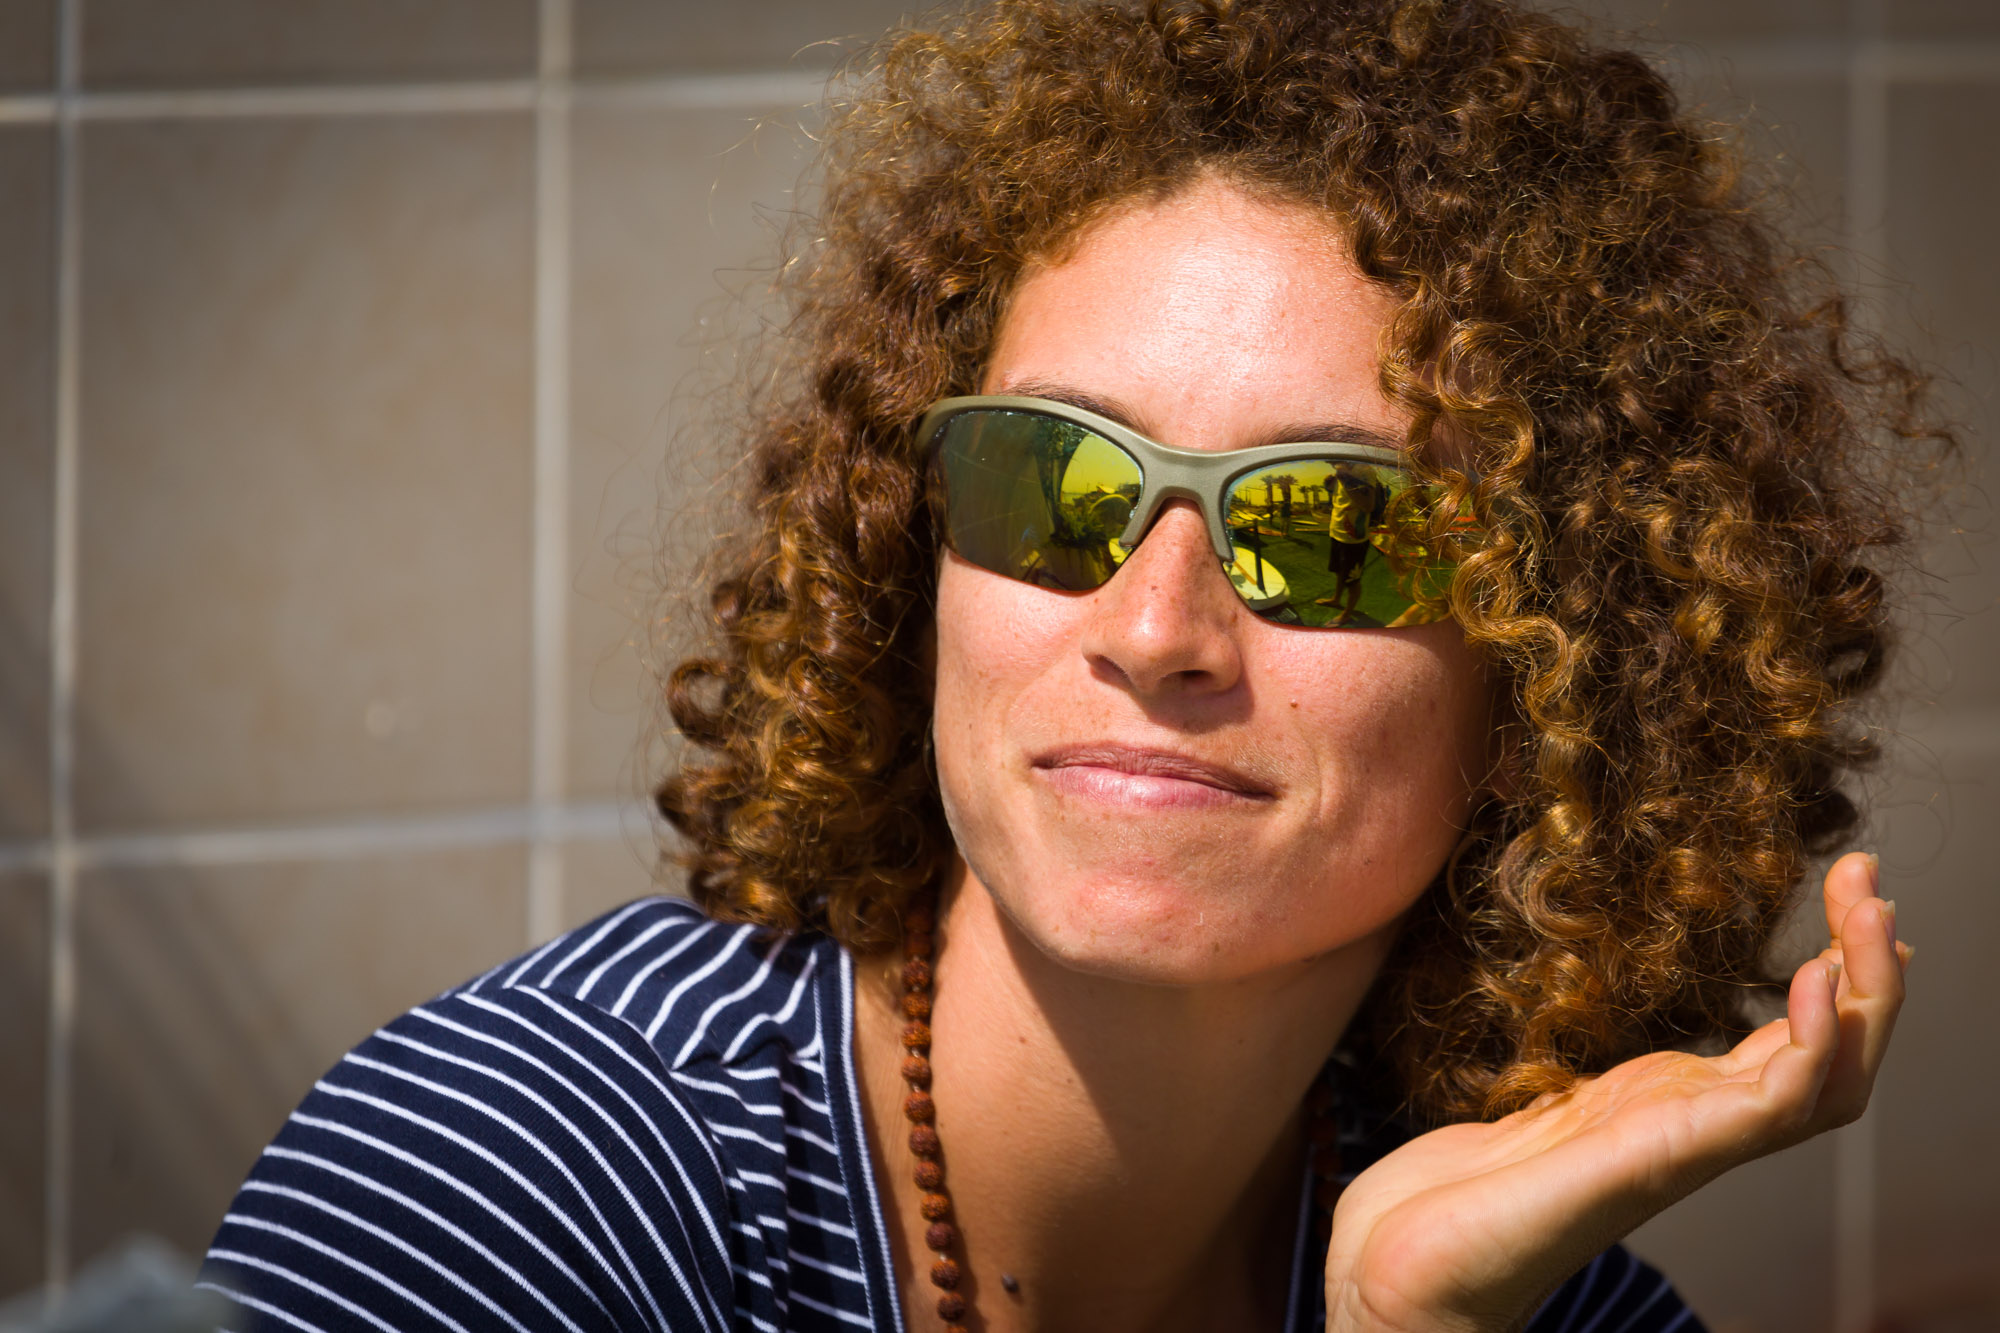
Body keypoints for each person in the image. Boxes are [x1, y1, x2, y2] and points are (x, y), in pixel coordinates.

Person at [200, 0, 1939, 1329]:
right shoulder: (512, 1184)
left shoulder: (1519, 1292)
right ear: (914, 554)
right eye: (1055, 481)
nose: (1155, 628)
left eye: (1331, 526)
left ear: (1562, 677)